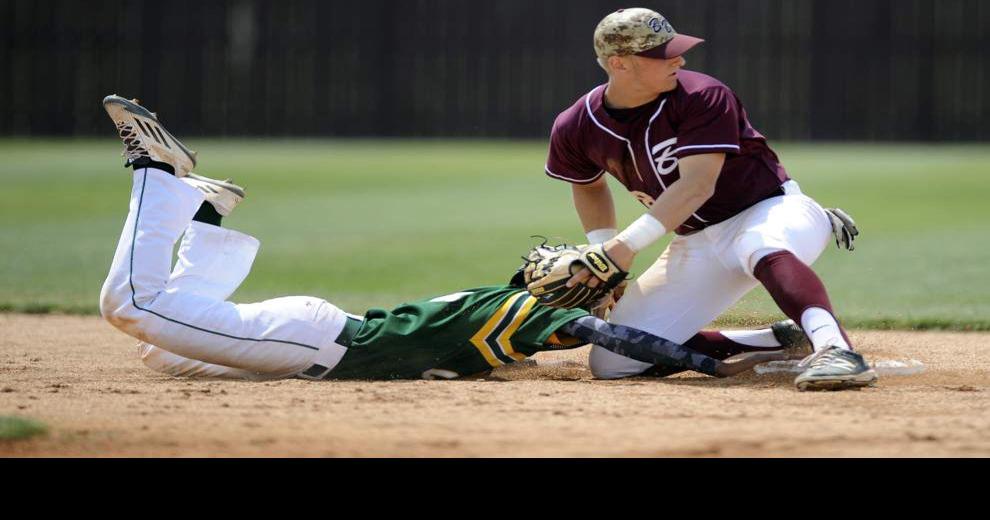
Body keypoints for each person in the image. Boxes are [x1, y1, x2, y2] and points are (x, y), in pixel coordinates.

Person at [97, 95, 807, 382]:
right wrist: (709, 366)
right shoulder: (540, 316)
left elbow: (622, 336)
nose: (550, 261)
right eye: (553, 262)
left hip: (315, 336)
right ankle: (158, 174)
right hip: (319, 341)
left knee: (165, 355)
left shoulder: (528, 309)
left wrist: (760, 342)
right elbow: (631, 342)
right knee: (134, 307)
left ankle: (206, 212)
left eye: (556, 262)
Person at [543, 8, 877, 390]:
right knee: (613, 359)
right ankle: (778, 340)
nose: (679, 59)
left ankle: (837, 350)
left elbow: (697, 186)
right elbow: (587, 184)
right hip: (698, 240)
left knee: (759, 243)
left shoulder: (703, 95)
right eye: (660, 54)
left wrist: (623, 248)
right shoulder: (576, 124)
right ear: (619, 64)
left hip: (768, 210)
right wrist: (604, 254)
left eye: (676, 49)